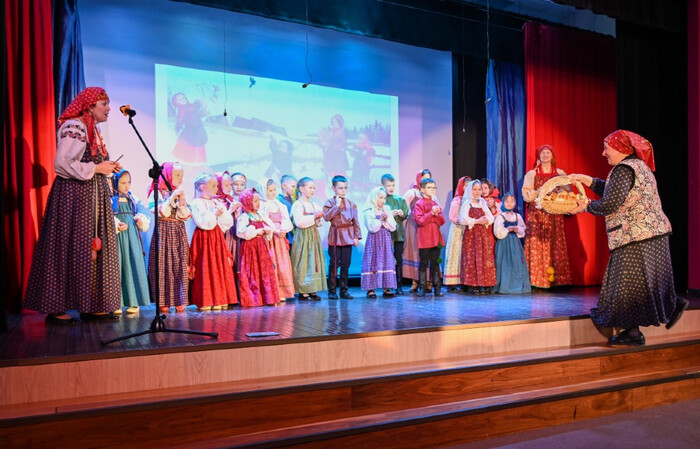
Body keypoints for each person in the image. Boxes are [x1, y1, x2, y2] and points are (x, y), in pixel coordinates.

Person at [569, 130, 688, 346]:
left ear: (620, 148)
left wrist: (585, 206)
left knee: (627, 284)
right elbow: (615, 192)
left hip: (635, 234)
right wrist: (587, 180)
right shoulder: (638, 166)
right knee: (647, 281)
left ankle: (633, 333)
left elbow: (610, 202)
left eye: (607, 148)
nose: (603, 153)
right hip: (653, 232)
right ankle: (671, 304)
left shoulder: (623, 169)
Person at [24, 87, 122, 324]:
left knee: (92, 249)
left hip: (91, 196)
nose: (109, 108)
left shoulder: (93, 129)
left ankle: (92, 304)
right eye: (104, 104)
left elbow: (88, 161)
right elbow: (63, 163)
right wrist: (97, 168)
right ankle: (56, 307)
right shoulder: (75, 127)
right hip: (74, 197)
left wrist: (106, 166)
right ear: (90, 107)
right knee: (71, 245)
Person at [522, 144, 572, 288]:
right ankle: (537, 280)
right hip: (537, 214)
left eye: (548, 153)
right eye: (542, 153)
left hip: (554, 214)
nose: (545, 155)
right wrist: (540, 191)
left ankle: (558, 280)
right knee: (538, 243)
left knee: (555, 243)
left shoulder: (560, 173)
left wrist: (558, 193)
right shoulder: (532, 174)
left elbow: (568, 192)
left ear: (552, 156)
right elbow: (526, 195)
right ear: (539, 156)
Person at [189, 173, 238, 311]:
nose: (216, 188)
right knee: (205, 267)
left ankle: (219, 298)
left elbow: (227, 223)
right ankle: (206, 299)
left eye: (217, 185)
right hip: (204, 238)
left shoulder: (216, 202)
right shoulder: (196, 203)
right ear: (202, 187)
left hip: (217, 237)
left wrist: (222, 214)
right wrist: (214, 215)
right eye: (213, 185)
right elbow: (203, 223)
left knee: (218, 266)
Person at [148, 161, 191, 313]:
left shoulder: (180, 192)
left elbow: (185, 215)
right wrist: (171, 199)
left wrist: (181, 202)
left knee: (179, 264)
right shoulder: (157, 192)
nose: (180, 178)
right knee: (163, 264)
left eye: (182, 175)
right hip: (164, 230)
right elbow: (161, 212)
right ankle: (163, 300)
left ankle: (179, 299)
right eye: (177, 175)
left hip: (178, 230)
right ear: (167, 175)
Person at [112, 170, 151, 314]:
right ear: (115, 183)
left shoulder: (134, 199)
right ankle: (116, 302)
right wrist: (116, 224)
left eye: (128, 182)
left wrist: (141, 220)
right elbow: (107, 216)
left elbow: (144, 214)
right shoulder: (111, 199)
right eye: (123, 182)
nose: (126, 185)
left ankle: (134, 302)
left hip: (132, 235)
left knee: (133, 263)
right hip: (117, 236)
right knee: (118, 265)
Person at [236, 188, 281, 307]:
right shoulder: (244, 217)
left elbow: (268, 227)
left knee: (264, 270)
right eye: (255, 201)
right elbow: (240, 232)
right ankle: (254, 299)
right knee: (252, 271)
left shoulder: (260, 215)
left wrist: (267, 231)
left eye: (258, 200)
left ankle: (268, 298)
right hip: (250, 248)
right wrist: (256, 231)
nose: (258, 203)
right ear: (247, 202)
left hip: (261, 247)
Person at [323, 175, 361, 300]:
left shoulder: (351, 203)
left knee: (346, 264)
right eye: (340, 188)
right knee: (334, 264)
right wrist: (337, 206)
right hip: (335, 235)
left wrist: (356, 236)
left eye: (345, 188)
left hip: (348, 236)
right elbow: (327, 217)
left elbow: (355, 221)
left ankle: (344, 290)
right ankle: (332, 290)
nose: (343, 191)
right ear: (333, 188)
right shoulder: (329, 202)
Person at [290, 177, 327, 299]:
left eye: (314, 188)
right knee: (304, 262)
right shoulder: (298, 204)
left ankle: (312, 288)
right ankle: (303, 290)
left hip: (313, 236)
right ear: (301, 189)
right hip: (303, 237)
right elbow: (299, 222)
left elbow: (318, 223)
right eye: (310, 188)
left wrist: (319, 219)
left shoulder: (314, 205)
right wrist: (314, 217)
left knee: (313, 261)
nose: (312, 190)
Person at [260, 177, 295, 300]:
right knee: (271, 263)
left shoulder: (280, 205)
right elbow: (263, 220)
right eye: (270, 190)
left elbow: (286, 220)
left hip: (279, 238)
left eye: (274, 190)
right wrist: (274, 230)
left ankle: (282, 292)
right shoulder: (262, 205)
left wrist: (283, 229)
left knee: (282, 264)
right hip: (269, 239)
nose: (273, 192)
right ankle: (272, 292)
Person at [459, 180, 496, 294]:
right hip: (472, 235)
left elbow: (491, 217)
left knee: (484, 257)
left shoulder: (483, 202)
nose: (477, 192)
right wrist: (477, 221)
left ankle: (484, 283)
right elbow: (462, 219)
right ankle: (472, 284)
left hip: (483, 235)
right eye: (474, 189)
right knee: (471, 257)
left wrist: (485, 220)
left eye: (479, 189)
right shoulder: (467, 203)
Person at [361, 186, 397, 298]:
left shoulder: (386, 209)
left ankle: (387, 287)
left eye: (384, 198)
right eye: (380, 198)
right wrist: (380, 220)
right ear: (374, 198)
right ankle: (370, 288)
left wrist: (386, 220)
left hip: (385, 239)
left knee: (386, 260)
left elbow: (393, 227)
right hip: (374, 239)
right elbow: (371, 227)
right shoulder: (369, 211)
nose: (383, 200)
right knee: (373, 260)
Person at [412, 178, 446, 297]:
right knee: (424, 264)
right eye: (429, 187)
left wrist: (436, 215)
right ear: (422, 189)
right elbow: (420, 221)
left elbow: (442, 221)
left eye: (434, 187)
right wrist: (431, 214)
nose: (432, 190)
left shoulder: (436, 204)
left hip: (436, 238)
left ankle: (437, 288)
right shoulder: (419, 204)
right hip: (425, 238)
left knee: (435, 264)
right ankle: (422, 287)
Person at [492, 193, 531, 294]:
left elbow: (523, 229)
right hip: (504, 243)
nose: (509, 203)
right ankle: (504, 286)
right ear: (503, 203)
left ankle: (517, 286)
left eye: (512, 201)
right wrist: (507, 229)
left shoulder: (517, 216)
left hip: (515, 243)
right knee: (504, 264)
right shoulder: (501, 216)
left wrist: (517, 229)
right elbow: (497, 231)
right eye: (507, 201)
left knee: (516, 263)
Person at [403, 169, 434, 292]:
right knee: (414, 251)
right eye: (423, 178)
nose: (425, 180)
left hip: (427, 226)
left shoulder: (432, 193)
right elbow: (404, 207)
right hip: (414, 225)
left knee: (427, 252)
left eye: (428, 178)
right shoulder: (412, 192)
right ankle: (415, 282)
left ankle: (428, 281)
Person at [381, 174, 410, 295]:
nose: (391, 188)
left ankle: (399, 285)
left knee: (398, 259)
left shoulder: (400, 200)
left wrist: (402, 214)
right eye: (388, 185)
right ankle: (387, 285)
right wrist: (389, 214)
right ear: (383, 186)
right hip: (386, 234)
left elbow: (405, 214)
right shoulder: (381, 200)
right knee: (387, 260)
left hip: (398, 234)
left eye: (393, 185)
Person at [443, 176, 470, 290]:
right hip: (458, 229)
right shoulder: (457, 200)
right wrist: (463, 220)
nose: (467, 188)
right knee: (455, 254)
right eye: (465, 185)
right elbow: (452, 217)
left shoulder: (472, 200)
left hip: (468, 229)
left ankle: (464, 281)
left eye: (469, 186)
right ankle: (452, 282)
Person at [277, 174, 297, 247]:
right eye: (293, 186)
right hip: (286, 236)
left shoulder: (293, 200)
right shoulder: (278, 200)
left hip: (294, 236)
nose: (295, 189)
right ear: (284, 186)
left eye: (296, 187)